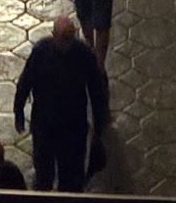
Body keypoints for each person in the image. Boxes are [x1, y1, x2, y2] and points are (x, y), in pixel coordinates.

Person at [13, 14, 111, 191]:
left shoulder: (84, 54)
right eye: (63, 39)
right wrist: (18, 110)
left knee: (72, 177)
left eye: (69, 38)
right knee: (44, 172)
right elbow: (26, 81)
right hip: (45, 124)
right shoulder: (41, 52)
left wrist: (99, 128)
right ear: (53, 35)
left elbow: (96, 91)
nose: (66, 43)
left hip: (72, 126)